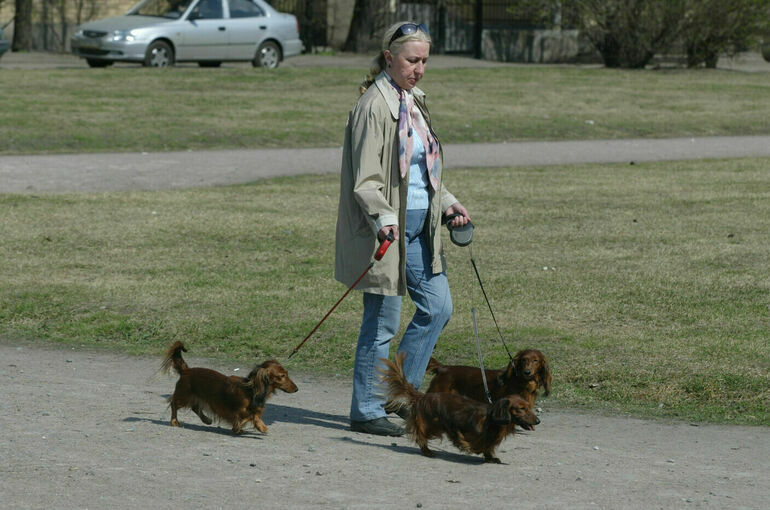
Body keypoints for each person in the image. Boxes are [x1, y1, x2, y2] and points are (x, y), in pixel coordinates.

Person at [335, 21, 471, 436]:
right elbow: (367, 179)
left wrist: (448, 204)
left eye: (425, 60)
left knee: (438, 307)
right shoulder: (373, 106)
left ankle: (398, 396)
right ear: (389, 58)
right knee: (381, 323)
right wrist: (385, 220)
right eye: (413, 60)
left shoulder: (413, 99)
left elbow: (423, 171)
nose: (420, 68)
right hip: (386, 229)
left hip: (421, 226)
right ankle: (367, 408)